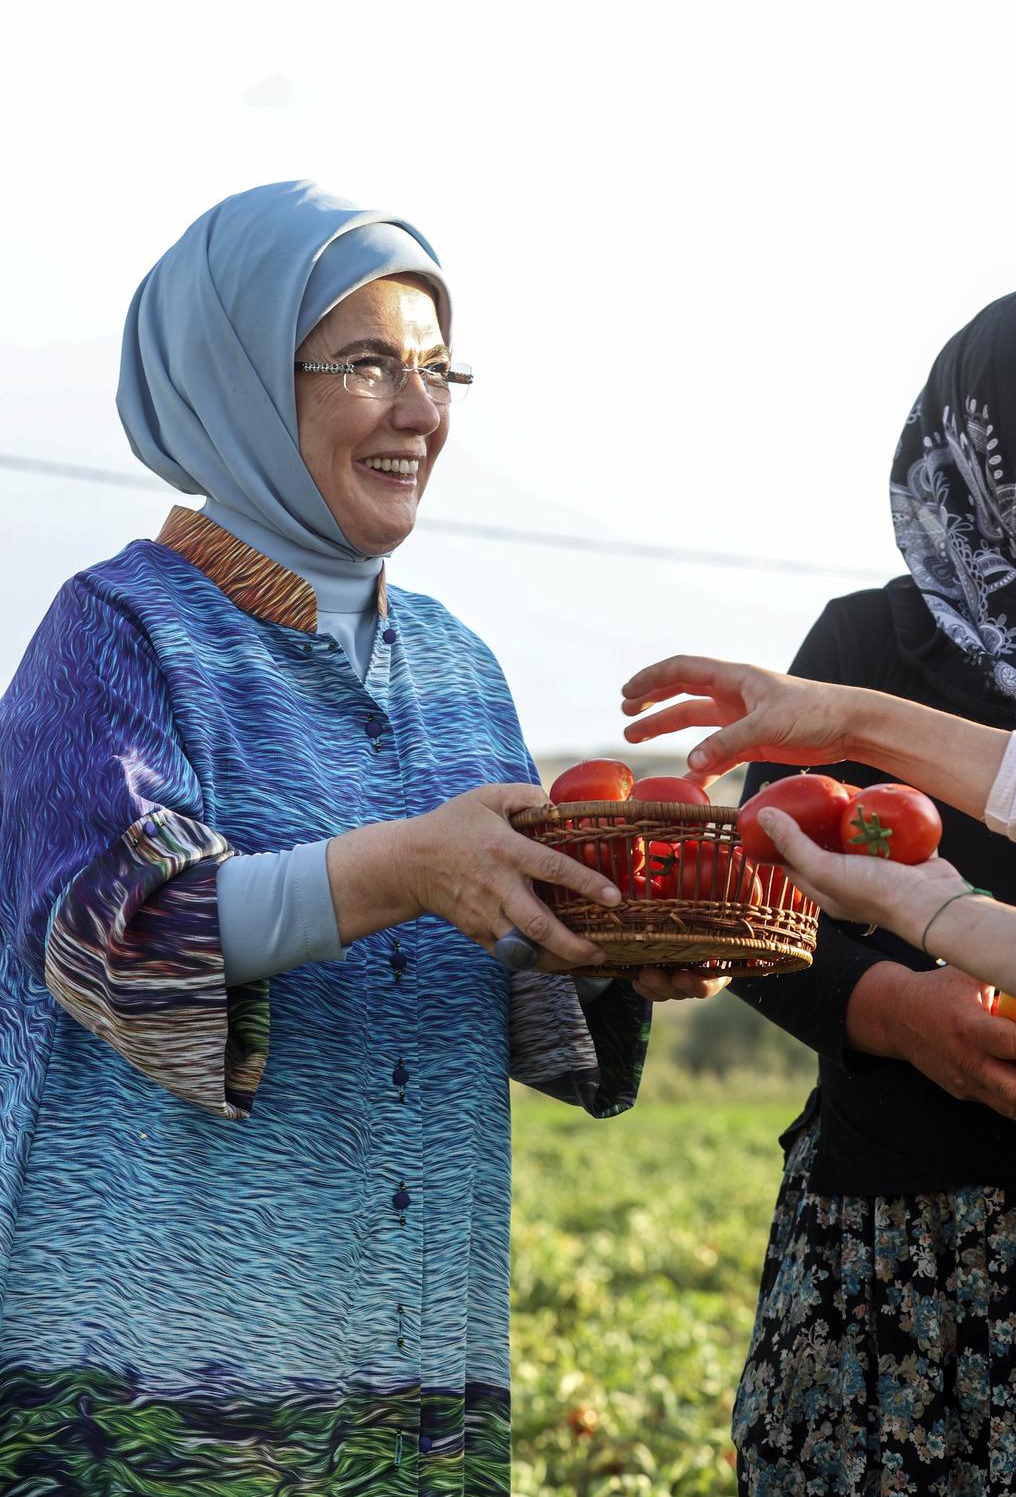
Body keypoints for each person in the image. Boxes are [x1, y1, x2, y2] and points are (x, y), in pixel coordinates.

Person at [0, 180, 661, 1495]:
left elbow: (505, 977)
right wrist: (405, 866)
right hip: (168, 1369)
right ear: (235, 376)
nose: (419, 412)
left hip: (414, 1352)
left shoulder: (463, 670)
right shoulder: (120, 633)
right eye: (367, 364)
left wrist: (619, 944)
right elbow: (116, 929)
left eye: (436, 368)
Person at [698, 284, 1016, 1494]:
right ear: (981, 442)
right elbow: (780, 910)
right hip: (908, 1240)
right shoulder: (869, 647)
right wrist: (900, 1014)